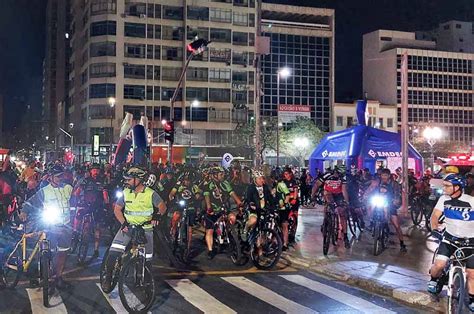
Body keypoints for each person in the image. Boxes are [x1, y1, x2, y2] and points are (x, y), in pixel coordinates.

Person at [103, 167, 166, 291]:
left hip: (145, 229)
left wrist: (157, 215)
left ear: (139, 180)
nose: (126, 181)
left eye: (129, 179)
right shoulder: (126, 192)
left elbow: (162, 206)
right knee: (113, 253)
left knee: (146, 259)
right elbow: (117, 209)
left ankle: (142, 280)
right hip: (128, 228)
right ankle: (108, 278)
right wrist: (123, 223)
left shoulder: (150, 193)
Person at [19, 165, 73, 289]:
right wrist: (24, 212)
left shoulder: (68, 188)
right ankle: (42, 275)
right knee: (47, 252)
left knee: (63, 253)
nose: (60, 178)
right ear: (50, 178)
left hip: (66, 226)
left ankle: (59, 277)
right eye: (57, 176)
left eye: (61, 176)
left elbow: (76, 198)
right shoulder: (44, 191)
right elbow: (31, 202)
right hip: (51, 226)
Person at [428, 174, 474, 311]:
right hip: (449, 238)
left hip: (470, 241)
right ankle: (434, 280)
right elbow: (435, 216)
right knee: (439, 265)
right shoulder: (443, 199)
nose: (444, 188)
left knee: (472, 273)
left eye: (447, 186)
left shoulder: (471, 201)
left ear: (457, 187)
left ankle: (472, 299)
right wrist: (434, 228)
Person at [71, 163, 109, 258]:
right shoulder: (85, 181)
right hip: (85, 205)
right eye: (94, 170)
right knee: (78, 215)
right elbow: (77, 192)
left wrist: (106, 204)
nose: (95, 172)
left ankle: (96, 249)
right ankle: (75, 233)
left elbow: (105, 195)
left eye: (97, 170)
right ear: (90, 171)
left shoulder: (102, 182)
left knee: (97, 228)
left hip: (97, 207)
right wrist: (76, 201)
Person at [203, 166, 242, 259]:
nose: (223, 176)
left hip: (223, 209)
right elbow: (207, 197)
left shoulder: (225, 183)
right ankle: (210, 250)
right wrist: (209, 207)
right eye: (221, 174)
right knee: (210, 231)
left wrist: (239, 202)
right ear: (215, 175)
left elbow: (232, 193)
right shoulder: (208, 184)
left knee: (232, 218)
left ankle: (229, 233)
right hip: (212, 210)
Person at [365, 168, 407, 252]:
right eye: (382, 175)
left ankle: (402, 243)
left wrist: (398, 202)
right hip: (378, 202)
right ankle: (372, 223)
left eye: (385, 175)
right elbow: (370, 189)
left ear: (389, 176)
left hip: (390, 204)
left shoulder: (394, 184)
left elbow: (400, 193)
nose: (384, 177)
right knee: (370, 208)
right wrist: (366, 195)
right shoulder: (377, 182)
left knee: (396, 225)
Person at [168, 171, 201, 259]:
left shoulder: (194, 187)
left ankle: (188, 247)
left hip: (190, 207)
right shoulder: (178, 186)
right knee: (176, 216)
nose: (187, 182)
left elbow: (198, 195)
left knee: (190, 228)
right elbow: (171, 194)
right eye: (186, 180)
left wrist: (197, 197)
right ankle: (173, 230)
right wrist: (172, 199)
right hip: (180, 206)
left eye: (189, 180)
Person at [316, 166, 351, 248]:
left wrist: (347, 202)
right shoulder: (327, 175)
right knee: (328, 202)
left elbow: (344, 190)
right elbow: (316, 185)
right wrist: (312, 196)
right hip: (328, 192)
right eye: (336, 173)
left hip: (339, 194)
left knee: (342, 214)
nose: (337, 175)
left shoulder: (343, 177)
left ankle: (345, 237)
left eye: (339, 174)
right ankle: (326, 220)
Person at [242, 170, 276, 241]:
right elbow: (248, 198)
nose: (261, 180)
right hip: (253, 210)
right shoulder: (250, 188)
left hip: (263, 210)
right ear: (255, 179)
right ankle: (245, 229)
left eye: (262, 178)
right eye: (259, 178)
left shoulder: (265, 187)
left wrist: (274, 207)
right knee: (253, 220)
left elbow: (270, 198)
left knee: (263, 227)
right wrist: (251, 204)